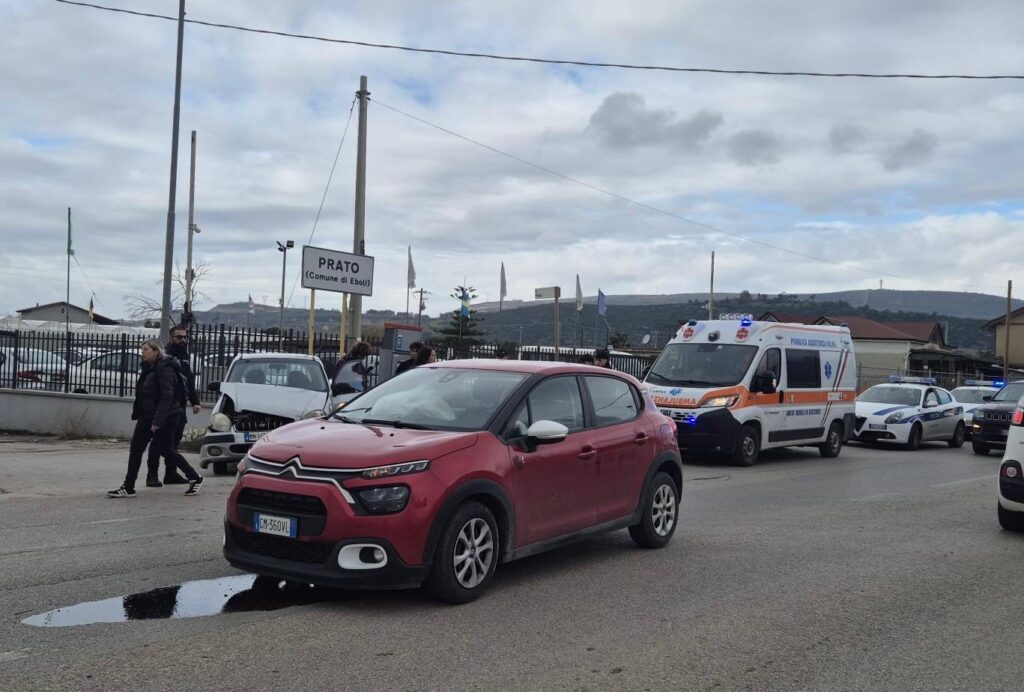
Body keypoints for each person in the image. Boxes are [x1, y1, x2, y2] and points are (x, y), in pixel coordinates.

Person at [107, 339, 203, 498]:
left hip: (166, 417)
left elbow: (167, 397)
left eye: (145, 349)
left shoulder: (164, 368)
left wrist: (157, 421)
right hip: (146, 416)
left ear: (156, 351)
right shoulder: (148, 367)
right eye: (141, 349)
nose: (142, 352)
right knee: (136, 449)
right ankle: (128, 486)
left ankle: (195, 477)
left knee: (167, 450)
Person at [147, 325, 202, 486]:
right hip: (165, 407)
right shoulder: (165, 356)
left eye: (185, 337)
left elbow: (188, 379)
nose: (183, 340)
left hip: (179, 406)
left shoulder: (184, 356)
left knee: (173, 442)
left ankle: (171, 474)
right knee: (158, 443)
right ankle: (152, 475)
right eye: (179, 337)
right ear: (171, 338)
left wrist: (195, 401)